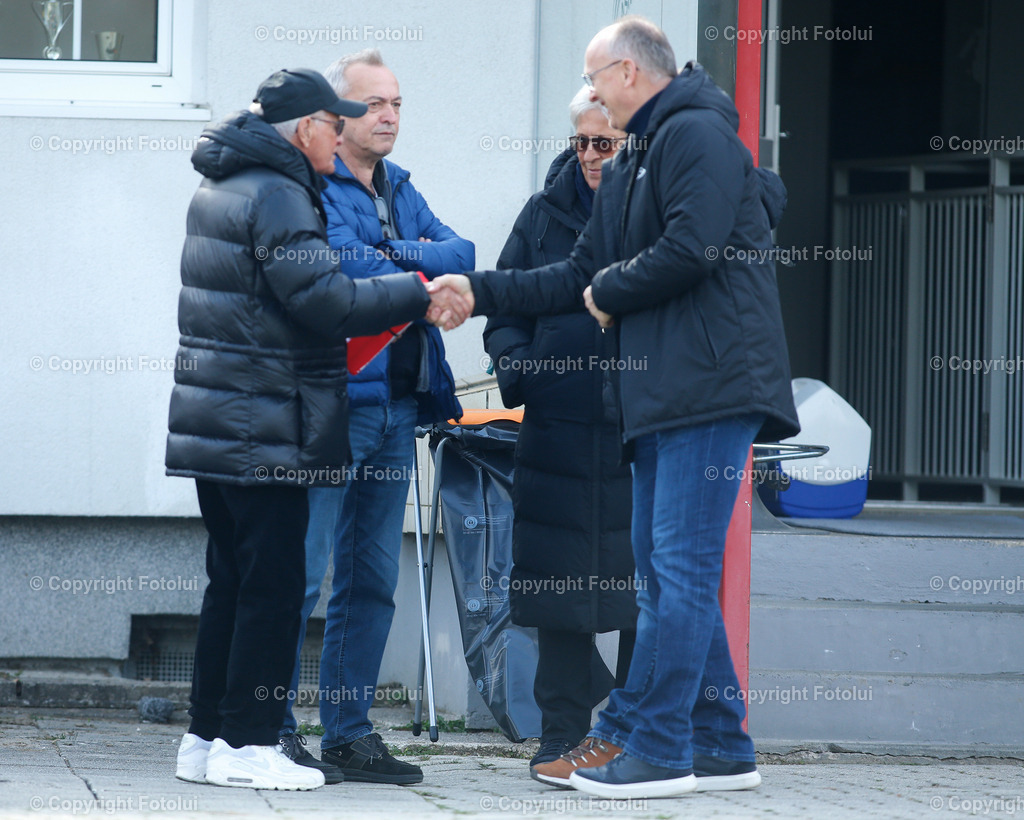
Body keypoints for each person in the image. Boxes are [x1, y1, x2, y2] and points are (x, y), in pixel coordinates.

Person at [429, 15, 799, 799]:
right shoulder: (635, 160)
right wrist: (481, 290)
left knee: (678, 572)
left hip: (712, 389)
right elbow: (573, 270)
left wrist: (608, 293)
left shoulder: (695, 134)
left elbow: (690, 250)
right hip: (661, 397)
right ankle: (724, 744)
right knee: (665, 576)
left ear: (630, 73)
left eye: (596, 77)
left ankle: (653, 744)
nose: (590, 94)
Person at [165, 67, 469, 791]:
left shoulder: (228, 181)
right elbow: (322, 297)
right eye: (337, 122)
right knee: (272, 585)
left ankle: (207, 737)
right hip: (264, 421)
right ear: (306, 130)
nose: (344, 132)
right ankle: (248, 743)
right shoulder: (277, 190)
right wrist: (419, 295)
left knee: (232, 583)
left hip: (223, 420)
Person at [274, 49, 474, 787]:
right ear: (338, 115)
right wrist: (415, 270)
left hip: (396, 406)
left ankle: (348, 735)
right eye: (373, 104)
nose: (388, 116)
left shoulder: (400, 187)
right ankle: (270, 728)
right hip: (334, 404)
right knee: (301, 571)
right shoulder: (312, 186)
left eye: (397, 103)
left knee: (370, 579)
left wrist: (398, 258)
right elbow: (341, 269)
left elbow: (462, 251)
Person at [482, 87, 637, 780]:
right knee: (557, 587)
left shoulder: (654, 210)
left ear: (630, 142)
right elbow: (507, 300)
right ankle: (562, 735)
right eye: (580, 143)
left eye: (603, 143)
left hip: (640, 424)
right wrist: (520, 367)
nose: (590, 157)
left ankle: (637, 732)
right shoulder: (544, 214)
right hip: (558, 421)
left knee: (642, 588)